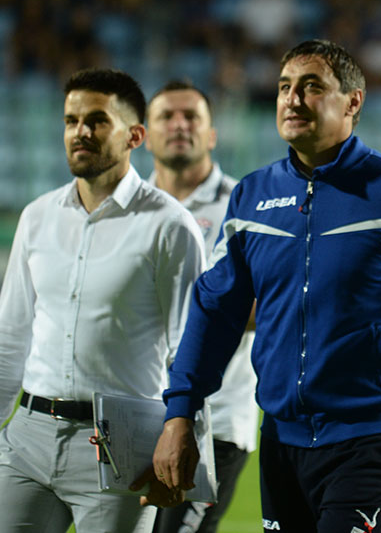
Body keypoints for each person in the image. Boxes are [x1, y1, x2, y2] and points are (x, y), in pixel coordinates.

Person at [145, 39, 381, 532]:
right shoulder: (253, 197)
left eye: (312, 87)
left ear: (353, 102)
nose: (292, 99)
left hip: (376, 437)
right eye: (284, 87)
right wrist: (181, 412)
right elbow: (215, 311)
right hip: (282, 438)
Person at [0, 69, 206, 532]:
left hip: (122, 448)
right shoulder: (37, 217)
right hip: (27, 437)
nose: (80, 132)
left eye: (96, 120)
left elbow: (187, 350)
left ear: (135, 135)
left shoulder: (170, 226)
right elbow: (9, 338)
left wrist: (184, 446)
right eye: (71, 121)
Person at [143, 80, 258, 533]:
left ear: (212, 135)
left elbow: (265, 305)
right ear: (144, 135)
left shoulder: (246, 207)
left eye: (192, 117)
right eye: (167, 117)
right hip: (134, 413)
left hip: (217, 420)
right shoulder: (128, 208)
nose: (179, 125)